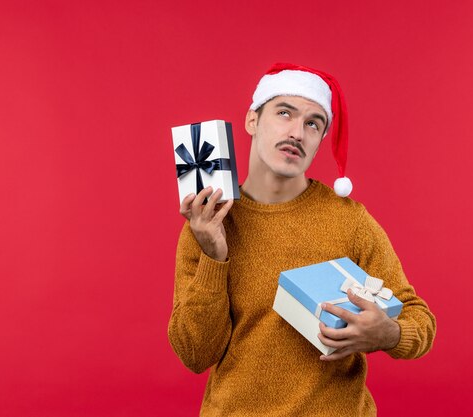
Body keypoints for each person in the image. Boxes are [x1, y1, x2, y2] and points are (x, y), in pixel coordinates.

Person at [168, 63, 436, 416]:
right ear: (252, 120)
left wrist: (386, 333)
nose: (297, 132)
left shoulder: (349, 221)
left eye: (313, 123)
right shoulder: (208, 221)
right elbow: (195, 353)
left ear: (320, 140)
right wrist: (214, 256)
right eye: (284, 113)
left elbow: (420, 321)